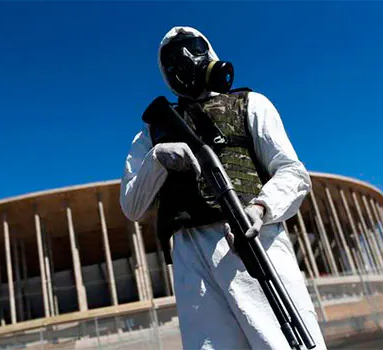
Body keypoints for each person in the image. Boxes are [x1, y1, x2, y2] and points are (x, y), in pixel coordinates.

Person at [119, 26, 327, 349]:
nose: (186, 63)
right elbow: (131, 205)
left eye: (192, 50)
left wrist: (261, 207)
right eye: (173, 61)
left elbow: (293, 173)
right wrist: (157, 159)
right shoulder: (153, 131)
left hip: (251, 238)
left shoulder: (251, 105)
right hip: (190, 259)